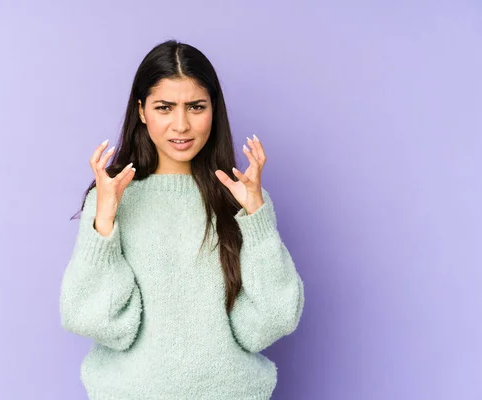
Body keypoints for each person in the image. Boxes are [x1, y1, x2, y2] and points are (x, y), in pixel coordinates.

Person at [59, 39, 305, 400]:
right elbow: (91, 317)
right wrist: (105, 222)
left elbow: (273, 318)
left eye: (195, 107)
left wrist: (257, 219)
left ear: (213, 110)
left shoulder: (242, 200)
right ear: (142, 111)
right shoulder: (111, 200)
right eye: (164, 107)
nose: (181, 124)